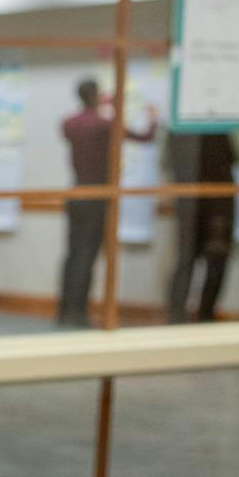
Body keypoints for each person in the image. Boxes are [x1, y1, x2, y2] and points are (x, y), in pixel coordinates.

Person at [57, 78, 158, 327]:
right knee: (87, 255)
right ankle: (77, 313)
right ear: (96, 96)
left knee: (73, 254)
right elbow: (145, 137)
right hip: (97, 195)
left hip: (77, 192)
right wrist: (153, 118)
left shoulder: (69, 124)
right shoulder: (104, 125)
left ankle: (66, 310)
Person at [166, 129, 239, 323]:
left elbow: (166, 162)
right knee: (213, 260)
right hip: (217, 204)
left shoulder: (177, 126)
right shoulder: (227, 126)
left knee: (189, 259)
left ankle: (178, 317)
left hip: (190, 201)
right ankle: (203, 317)